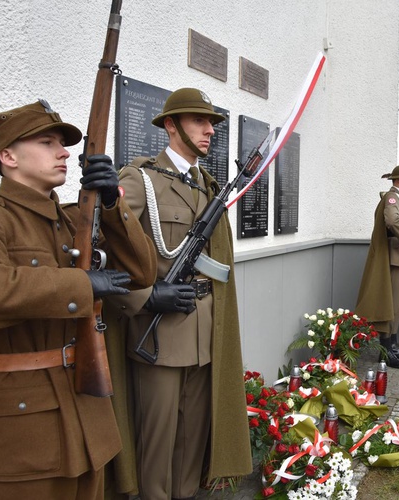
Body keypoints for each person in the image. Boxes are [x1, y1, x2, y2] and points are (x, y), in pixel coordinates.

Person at [0, 99, 157, 499]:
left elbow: (140, 273)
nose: (64, 152)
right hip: (25, 425)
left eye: (62, 144)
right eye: (47, 142)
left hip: (87, 415)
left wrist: (113, 204)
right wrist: (82, 286)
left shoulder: (72, 221)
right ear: (8, 155)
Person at [114, 88, 251, 498]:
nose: (210, 130)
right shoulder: (139, 181)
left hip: (203, 332)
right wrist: (145, 297)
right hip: (159, 334)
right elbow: (108, 251)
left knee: (193, 439)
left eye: (211, 123)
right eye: (199, 121)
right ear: (171, 126)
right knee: (157, 443)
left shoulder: (206, 187)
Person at [356, 165, 399, 369]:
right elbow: (391, 219)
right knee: (389, 305)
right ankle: (386, 350)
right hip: (396, 258)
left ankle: (391, 346)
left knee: (397, 306)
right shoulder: (392, 198)